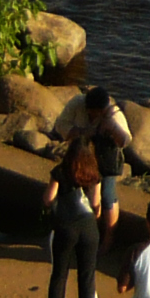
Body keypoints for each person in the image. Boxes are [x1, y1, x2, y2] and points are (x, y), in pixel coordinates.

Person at [43, 133, 112, 298]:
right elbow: (96, 203)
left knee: (59, 274)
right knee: (87, 275)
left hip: (65, 227)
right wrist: (94, 218)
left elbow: (48, 199)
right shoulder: (94, 174)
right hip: (88, 227)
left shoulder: (60, 171)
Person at [52, 82, 137, 225]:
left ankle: (106, 235)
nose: (94, 115)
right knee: (75, 189)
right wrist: (83, 133)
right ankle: (84, 225)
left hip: (105, 160)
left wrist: (112, 127)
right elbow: (61, 125)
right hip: (81, 154)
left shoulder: (113, 114)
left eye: (98, 112)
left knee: (107, 197)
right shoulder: (77, 103)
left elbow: (126, 140)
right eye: (91, 112)